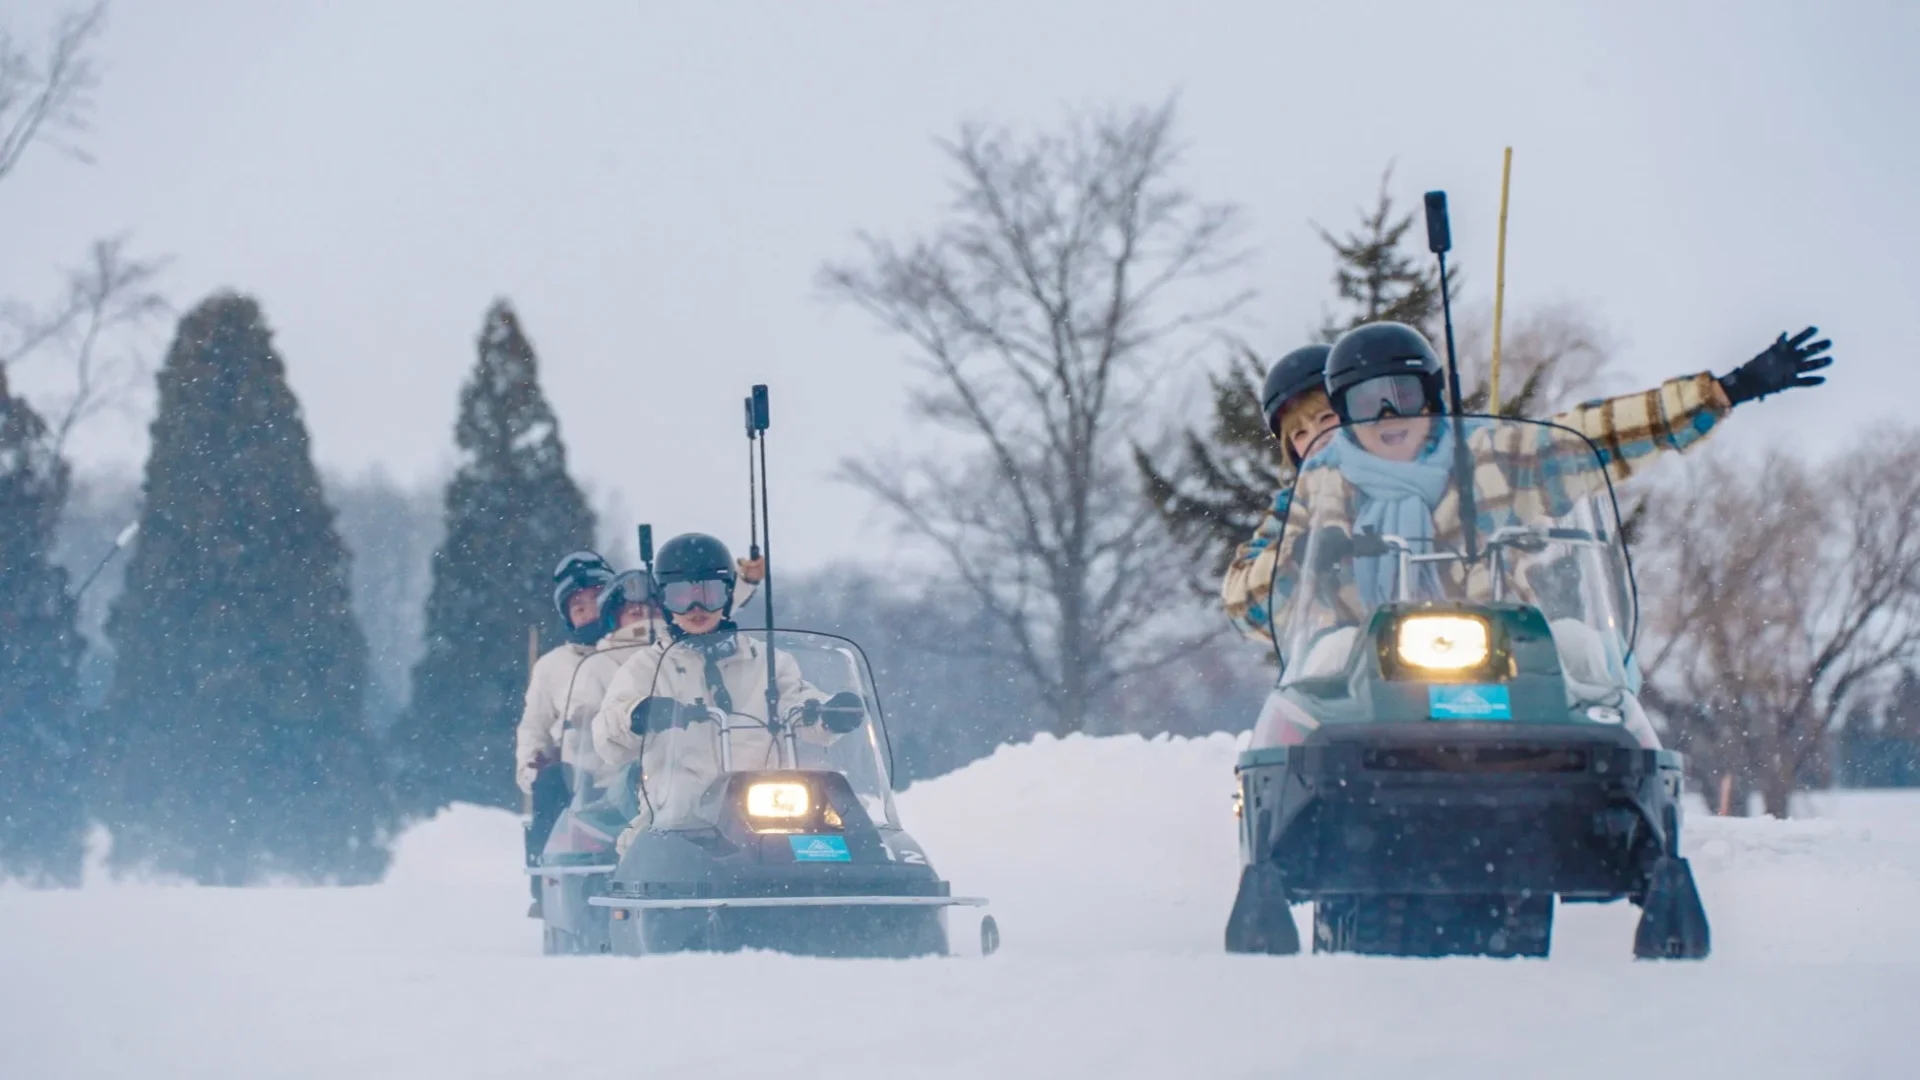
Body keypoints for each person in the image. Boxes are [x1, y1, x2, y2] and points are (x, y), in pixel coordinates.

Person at [1222, 321, 1835, 641]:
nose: (1320, 439)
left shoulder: (1480, 458)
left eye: (1328, 417)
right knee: (1321, 674)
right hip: (1359, 670)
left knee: (1575, 653)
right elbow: (1244, 602)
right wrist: (1304, 559)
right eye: (1299, 434)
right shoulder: (1308, 501)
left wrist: (1724, 390)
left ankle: (1618, 810)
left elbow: (1588, 439)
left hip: (1492, 650)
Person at [591, 533, 861, 851]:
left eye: (710, 593)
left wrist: (829, 713)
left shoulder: (767, 661)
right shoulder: (647, 667)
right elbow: (606, 737)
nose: (696, 607)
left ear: (729, 594)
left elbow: (798, 702)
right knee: (646, 859)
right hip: (676, 825)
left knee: (834, 848)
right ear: (663, 601)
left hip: (766, 818)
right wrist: (637, 716)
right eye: (681, 596)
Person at [514, 549, 614, 914]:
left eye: (598, 600)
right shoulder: (552, 667)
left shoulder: (643, 650)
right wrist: (532, 768)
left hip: (635, 768)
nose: (590, 611)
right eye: (579, 606)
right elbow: (534, 726)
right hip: (579, 777)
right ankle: (548, 886)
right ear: (568, 615)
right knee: (551, 784)